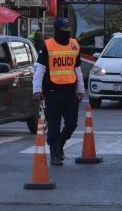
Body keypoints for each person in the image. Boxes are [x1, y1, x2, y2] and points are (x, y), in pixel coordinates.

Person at [32, 17, 85, 166]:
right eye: (64, 29)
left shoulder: (74, 45)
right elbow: (40, 70)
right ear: (57, 30)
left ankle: (60, 143)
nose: (67, 31)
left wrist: (80, 90)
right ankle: (54, 152)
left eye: (68, 29)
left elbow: (77, 69)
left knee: (72, 123)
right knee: (54, 125)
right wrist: (37, 90)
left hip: (70, 92)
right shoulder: (47, 46)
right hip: (53, 92)